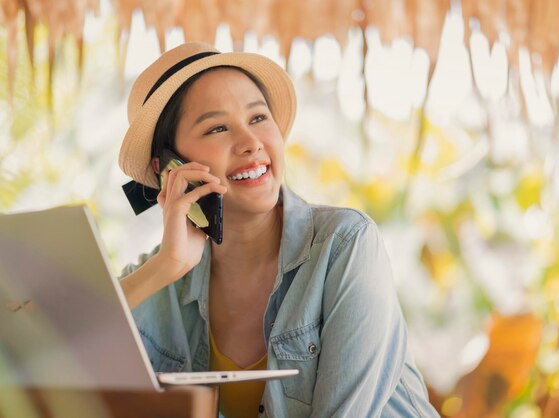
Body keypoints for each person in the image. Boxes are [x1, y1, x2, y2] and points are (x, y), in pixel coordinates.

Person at [117, 42, 439, 418]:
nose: (251, 143)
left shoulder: (345, 244)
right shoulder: (157, 280)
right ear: (168, 168)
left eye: (257, 118)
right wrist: (165, 267)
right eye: (217, 128)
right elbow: (45, 365)